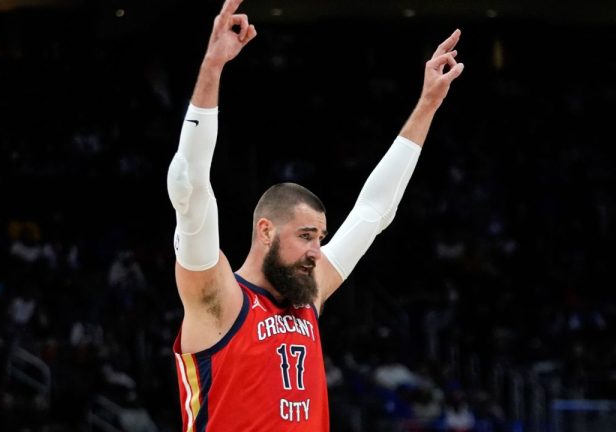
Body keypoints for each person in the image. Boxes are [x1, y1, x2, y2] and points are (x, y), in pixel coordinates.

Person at [166, 0, 464, 429]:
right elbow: (189, 188)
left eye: (320, 238)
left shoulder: (309, 294)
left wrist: (427, 105)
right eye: (306, 236)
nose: (316, 251)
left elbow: (375, 210)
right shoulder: (219, 300)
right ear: (265, 231)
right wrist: (212, 68)